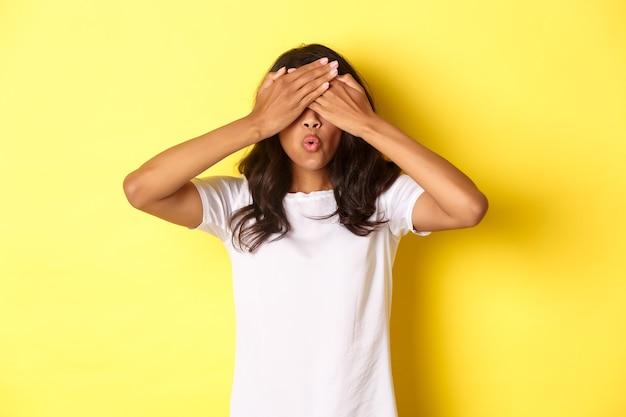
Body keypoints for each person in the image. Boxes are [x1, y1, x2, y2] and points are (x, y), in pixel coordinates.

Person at [123, 43, 488, 417]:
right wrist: (257, 123)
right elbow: (141, 190)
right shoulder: (236, 202)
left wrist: (367, 124)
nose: (311, 121)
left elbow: (468, 208)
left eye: (325, 108)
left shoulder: (381, 199)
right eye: (297, 109)